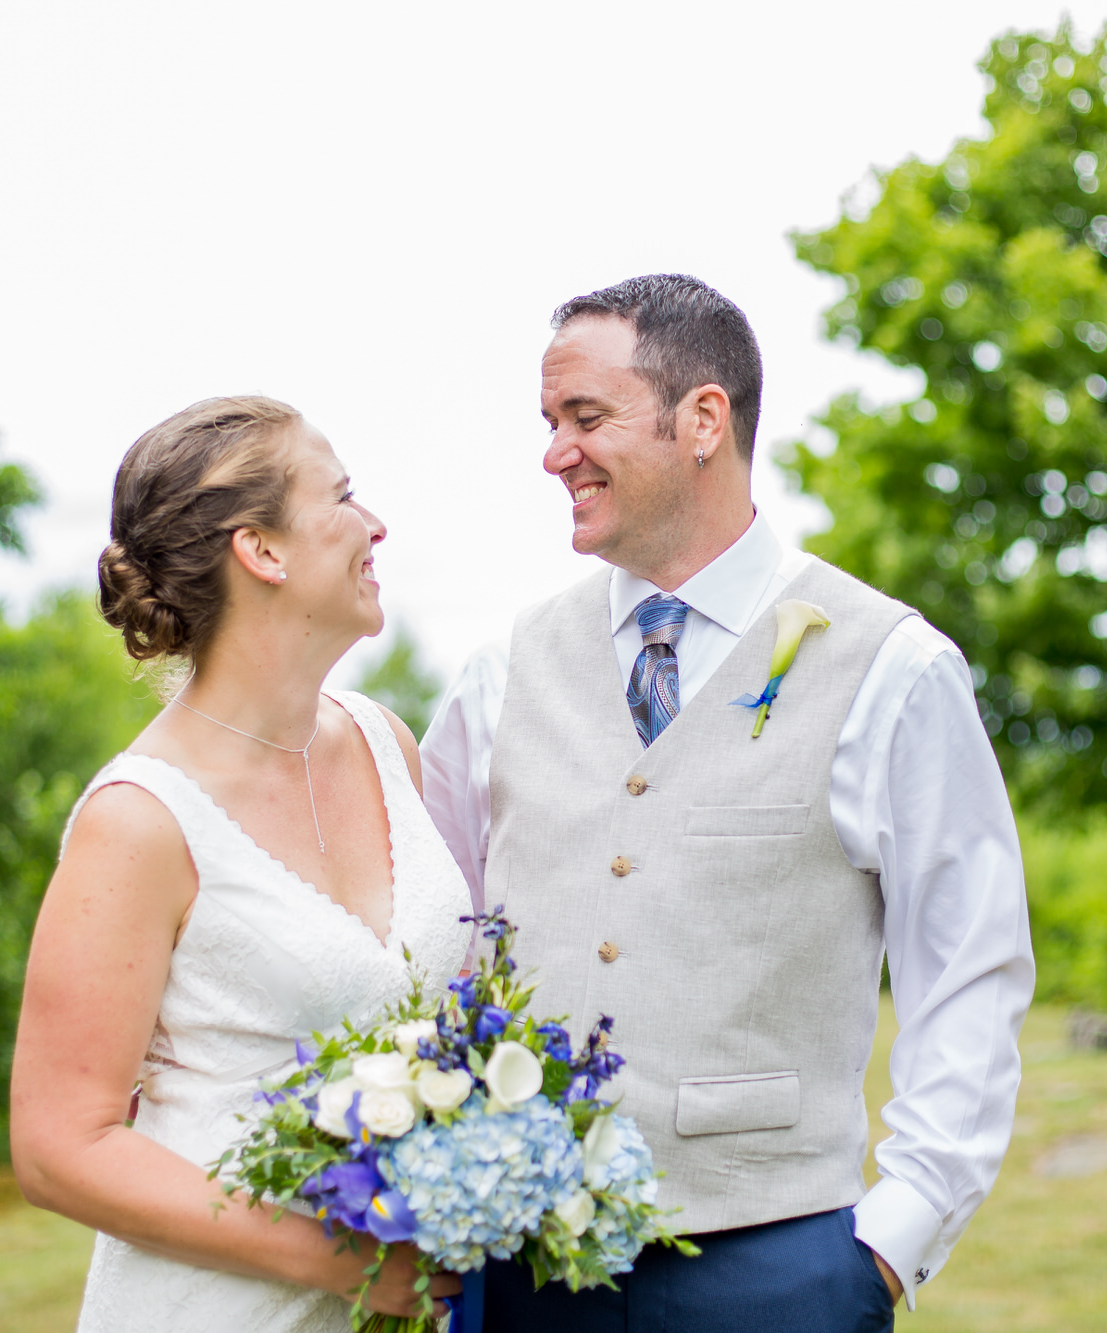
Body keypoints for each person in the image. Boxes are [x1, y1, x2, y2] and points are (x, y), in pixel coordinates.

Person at [421, 276, 1035, 1332]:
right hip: (519, 1271)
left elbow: (969, 969)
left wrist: (887, 1246)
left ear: (703, 419)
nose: (555, 453)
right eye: (549, 422)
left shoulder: (891, 666)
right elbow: (433, 941)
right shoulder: (501, 671)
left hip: (776, 1267)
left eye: (585, 417)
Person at [10, 396, 470, 1332]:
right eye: (342, 496)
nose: (376, 524)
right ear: (260, 549)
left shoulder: (385, 742)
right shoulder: (139, 820)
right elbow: (60, 1147)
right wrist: (341, 1261)